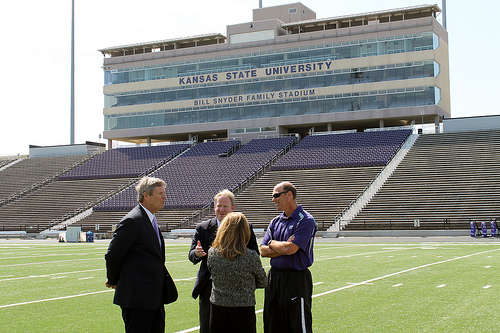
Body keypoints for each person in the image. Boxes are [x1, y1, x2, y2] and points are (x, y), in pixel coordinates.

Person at [105, 177, 176, 333]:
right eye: (160, 193)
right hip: (138, 299)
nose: (164, 197)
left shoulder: (149, 219)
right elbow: (113, 254)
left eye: (164, 193)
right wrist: (113, 279)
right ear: (146, 195)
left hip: (154, 296)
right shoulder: (133, 221)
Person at [188, 189, 259, 333]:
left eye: (225, 206)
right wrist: (196, 253)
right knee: (207, 327)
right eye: (218, 206)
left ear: (233, 208)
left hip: (237, 287)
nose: (221, 209)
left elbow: (254, 254)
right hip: (209, 286)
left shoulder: (245, 226)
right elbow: (191, 255)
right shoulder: (203, 228)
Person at [260, 182, 317, 333]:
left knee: (298, 325)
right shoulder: (275, 222)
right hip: (274, 278)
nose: (273, 199)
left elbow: (291, 249)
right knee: (272, 323)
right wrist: (279, 245)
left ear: (289, 195)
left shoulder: (306, 220)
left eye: (276, 195)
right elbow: (263, 251)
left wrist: (274, 245)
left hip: (296, 279)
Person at [207, 212, 267, 333]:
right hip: (244, 309)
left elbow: (212, 272)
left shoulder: (212, 253)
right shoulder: (250, 256)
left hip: (218, 307)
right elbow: (263, 282)